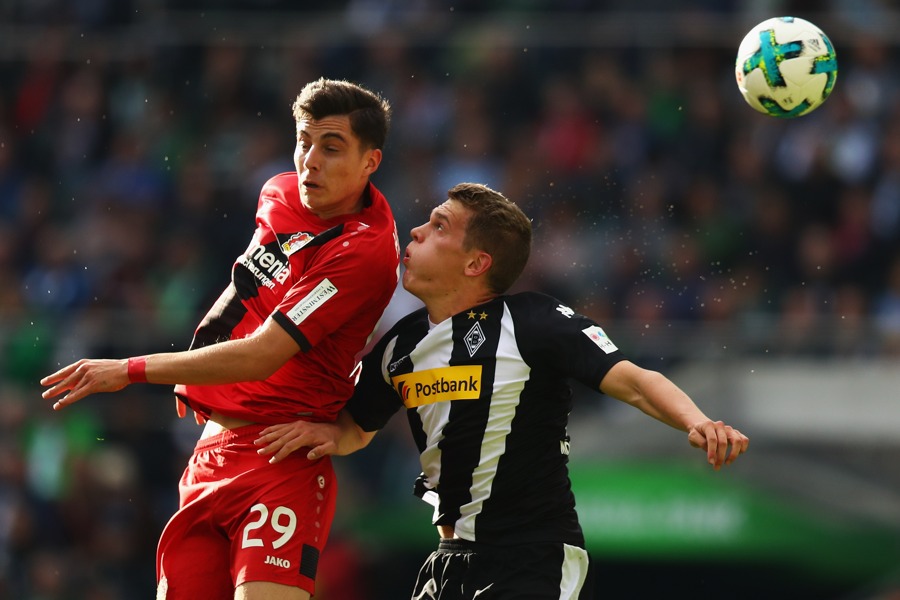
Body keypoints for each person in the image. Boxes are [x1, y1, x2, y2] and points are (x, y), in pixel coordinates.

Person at [254, 182, 750, 600]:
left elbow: (635, 381)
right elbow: (355, 428)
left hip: (531, 557)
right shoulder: (399, 345)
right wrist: (320, 433)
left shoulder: (533, 321)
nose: (417, 231)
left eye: (439, 226)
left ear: (476, 264)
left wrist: (696, 421)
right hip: (448, 561)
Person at [40, 77, 399, 600]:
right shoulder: (278, 193)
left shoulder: (363, 251)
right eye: (304, 141)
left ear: (371, 161)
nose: (310, 160)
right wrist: (199, 362)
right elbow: (246, 288)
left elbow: (261, 356)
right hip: (211, 454)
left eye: (332, 147)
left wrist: (129, 369)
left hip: (281, 459)